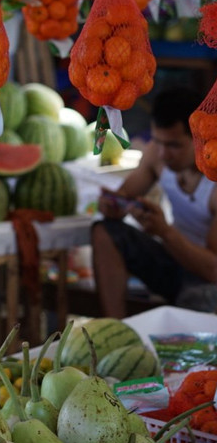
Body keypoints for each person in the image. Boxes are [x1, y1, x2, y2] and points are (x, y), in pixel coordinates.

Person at [92, 86, 217, 318]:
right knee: (104, 231)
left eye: (174, 145)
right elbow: (123, 197)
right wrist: (111, 205)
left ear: (201, 138)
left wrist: (165, 232)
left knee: (203, 299)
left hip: (207, 279)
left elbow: (213, 270)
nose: (163, 153)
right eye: (158, 142)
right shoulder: (156, 155)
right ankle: (115, 329)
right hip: (174, 262)